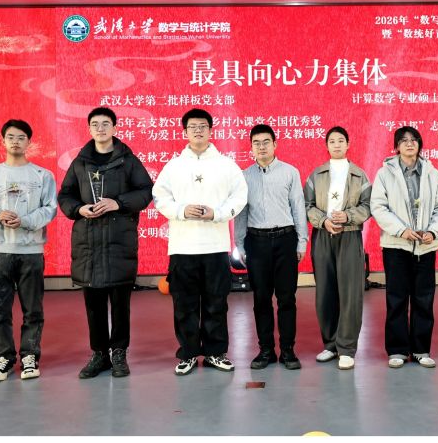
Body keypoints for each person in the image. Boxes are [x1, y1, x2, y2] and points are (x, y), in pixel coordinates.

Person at [57, 106, 153, 378]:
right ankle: (99, 354)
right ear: (89, 129)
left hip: (118, 241)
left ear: (115, 128)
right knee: (93, 304)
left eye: (106, 124)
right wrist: (79, 209)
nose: (100, 129)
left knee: (121, 304)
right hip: (88, 242)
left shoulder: (128, 160)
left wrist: (118, 203)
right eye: (95, 124)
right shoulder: (80, 163)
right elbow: (65, 195)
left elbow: (146, 191)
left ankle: (119, 352)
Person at [153, 108, 246, 375]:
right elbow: (159, 197)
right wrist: (182, 210)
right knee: (184, 304)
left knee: (217, 302)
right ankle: (189, 353)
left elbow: (239, 196)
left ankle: (216, 352)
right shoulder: (174, 166)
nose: (198, 131)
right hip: (183, 247)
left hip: (216, 246)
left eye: (202, 126)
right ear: (184, 132)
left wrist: (217, 213)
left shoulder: (226, 165)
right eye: (192, 127)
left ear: (210, 130)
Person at [0, 119, 57, 382]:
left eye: (21, 137)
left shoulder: (43, 175)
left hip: (31, 251)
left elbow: (50, 209)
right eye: (11, 137)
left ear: (29, 142)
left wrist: (25, 220)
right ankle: (3, 358)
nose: (16, 142)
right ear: (3, 141)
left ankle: (30, 355)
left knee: (33, 309)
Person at [371, 126, 438, 368]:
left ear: (420, 144)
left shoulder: (433, 174)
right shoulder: (385, 173)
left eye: (414, 139)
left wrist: (433, 231)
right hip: (396, 245)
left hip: (425, 247)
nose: (409, 143)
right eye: (403, 140)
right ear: (396, 146)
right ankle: (397, 350)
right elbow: (378, 207)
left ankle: (421, 349)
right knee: (397, 299)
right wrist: (401, 230)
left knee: (424, 299)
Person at [235, 123, 305, 370]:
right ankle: (265, 350)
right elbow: (241, 213)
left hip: (286, 239)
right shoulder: (244, 176)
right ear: (251, 147)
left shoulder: (290, 172)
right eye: (256, 143)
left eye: (266, 142)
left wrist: (302, 241)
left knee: (287, 298)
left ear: (275, 144)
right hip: (256, 242)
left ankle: (287, 350)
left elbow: (298, 208)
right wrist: (240, 244)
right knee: (261, 298)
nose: (261, 147)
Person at [304, 126, 370, 369]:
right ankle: (330, 344)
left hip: (350, 236)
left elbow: (368, 206)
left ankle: (347, 348)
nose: (337, 145)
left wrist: (348, 216)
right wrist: (323, 221)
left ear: (348, 144)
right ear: (326, 145)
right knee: (325, 291)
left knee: (351, 293)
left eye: (341, 140)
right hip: (323, 235)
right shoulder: (317, 174)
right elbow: (307, 205)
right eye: (332, 141)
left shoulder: (359, 175)